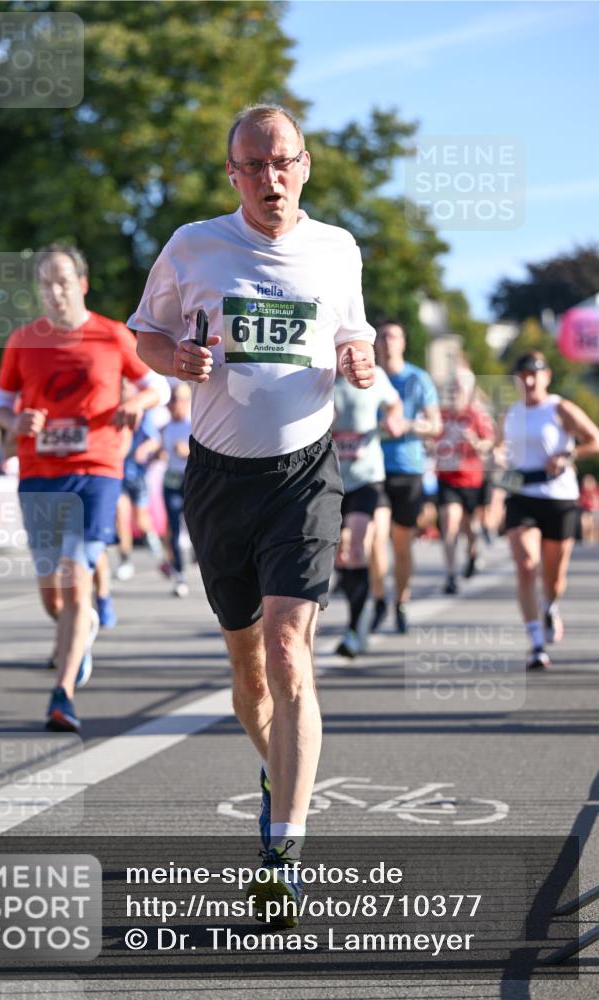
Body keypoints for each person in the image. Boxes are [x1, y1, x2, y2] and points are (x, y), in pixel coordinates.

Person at [129, 104, 376, 925]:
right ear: (231, 173)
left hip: (306, 472)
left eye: (283, 162)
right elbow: (146, 338)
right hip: (217, 479)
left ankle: (283, 853)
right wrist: (177, 357)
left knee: (286, 651)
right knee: (247, 673)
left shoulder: (337, 249)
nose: (269, 179)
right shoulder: (193, 246)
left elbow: (354, 336)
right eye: (252, 165)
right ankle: (278, 766)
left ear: (304, 165)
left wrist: (359, 357)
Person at [0, 244, 166, 731]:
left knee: (73, 573)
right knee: (53, 595)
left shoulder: (112, 335)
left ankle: (62, 694)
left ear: (82, 284)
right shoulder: (24, 340)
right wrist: (15, 419)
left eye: (63, 280)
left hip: (97, 469)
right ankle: (80, 626)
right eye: (45, 282)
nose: (54, 290)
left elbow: (160, 386)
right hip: (40, 474)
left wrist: (139, 403)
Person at [497, 351, 599, 669]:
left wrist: (567, 455)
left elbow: (594, 440)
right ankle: (537, 642)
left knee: (554, 579)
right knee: (527, 565)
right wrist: (495, 456)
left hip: (559, 498)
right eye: (523, 374)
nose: (528, 380)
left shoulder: (559, 407)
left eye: (534, 374)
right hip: (521, 494)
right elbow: (498, 447)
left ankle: (550, 605)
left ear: (546, 376)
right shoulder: (510, 413)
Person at [371, 321, 441, 633]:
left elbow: (435, 426)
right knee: (373, 537)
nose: (387, 342)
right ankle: (377, 599)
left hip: (408, 468)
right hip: (371, 469)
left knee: (401, 544)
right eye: (382, 337)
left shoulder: (417, 378)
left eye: (393, 336)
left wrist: (406, 425)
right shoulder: (368, 377)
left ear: (403, 342)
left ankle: (400, 600)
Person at [332, 365, 402, 657]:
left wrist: (393, 418)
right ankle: (359, 614)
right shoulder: (315, 370)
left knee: (357, 546)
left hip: (366, 477)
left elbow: (394, 402)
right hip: (331, 479)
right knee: (342, 555)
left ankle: (355, 628)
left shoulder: (371, 373)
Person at [435, 370, 494, 594]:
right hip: (447, 478)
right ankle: (450, 575)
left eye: (459, 389)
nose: (454, 394)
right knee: (449, 523)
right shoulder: (441, 415)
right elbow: (431, 438)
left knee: (471, 528)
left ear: (468, 392)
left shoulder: (476, 415)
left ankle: (473, 553)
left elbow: (489, 442)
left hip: (472, 479)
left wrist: (476, 442)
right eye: (451, 389)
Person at [114, 382, 166, 582]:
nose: (123, 391)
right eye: (121, 387)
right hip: (117, 474)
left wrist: (144, 448)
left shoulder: (141, 412)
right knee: (121, 516)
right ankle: (125, 560)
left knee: (141, 521)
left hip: (136, 475)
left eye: (126, 387)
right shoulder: (113, 411)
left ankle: (159, 556)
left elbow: (153, 439)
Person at [158, 383, 192, 598]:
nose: (171, 404)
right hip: (171, 482)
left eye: (175, 399)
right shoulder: (165, 427)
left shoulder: (195, 424)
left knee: (198, 527)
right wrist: (154, 453)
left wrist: (188, 452)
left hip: (192, 482)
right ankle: (179, 574)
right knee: (173, 529)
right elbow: (160, 449)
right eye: (169, 400)